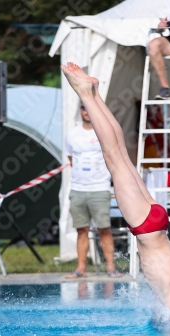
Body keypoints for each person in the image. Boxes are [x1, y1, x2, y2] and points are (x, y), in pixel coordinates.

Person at [61, 62, 170, 312]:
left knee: (119, 155)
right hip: (148, 229)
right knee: (114, 157)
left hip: (157, 224)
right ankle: (86, 93)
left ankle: (95, 94)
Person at [65, 102, 121, 278]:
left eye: (89, 109)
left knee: (104, 229)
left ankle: (110, 267)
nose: (87, 112)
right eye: (83, 108)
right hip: (78, 189)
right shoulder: (72, 134)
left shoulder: (104, 131)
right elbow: (71, 159)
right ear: (79, 111)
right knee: (82, 230)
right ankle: (81, 268)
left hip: (100, 188)